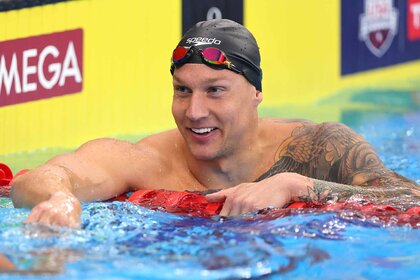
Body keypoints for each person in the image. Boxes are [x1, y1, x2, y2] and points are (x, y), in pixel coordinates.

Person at [11, 19, 419, 228]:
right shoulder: (147, 161)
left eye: (215, 90)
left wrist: (296, 186)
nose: (195, 112)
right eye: (183, 90)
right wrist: (60, 200)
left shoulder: (319, 147)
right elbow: (42, 177)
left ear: (256, 93)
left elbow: (410, 202)